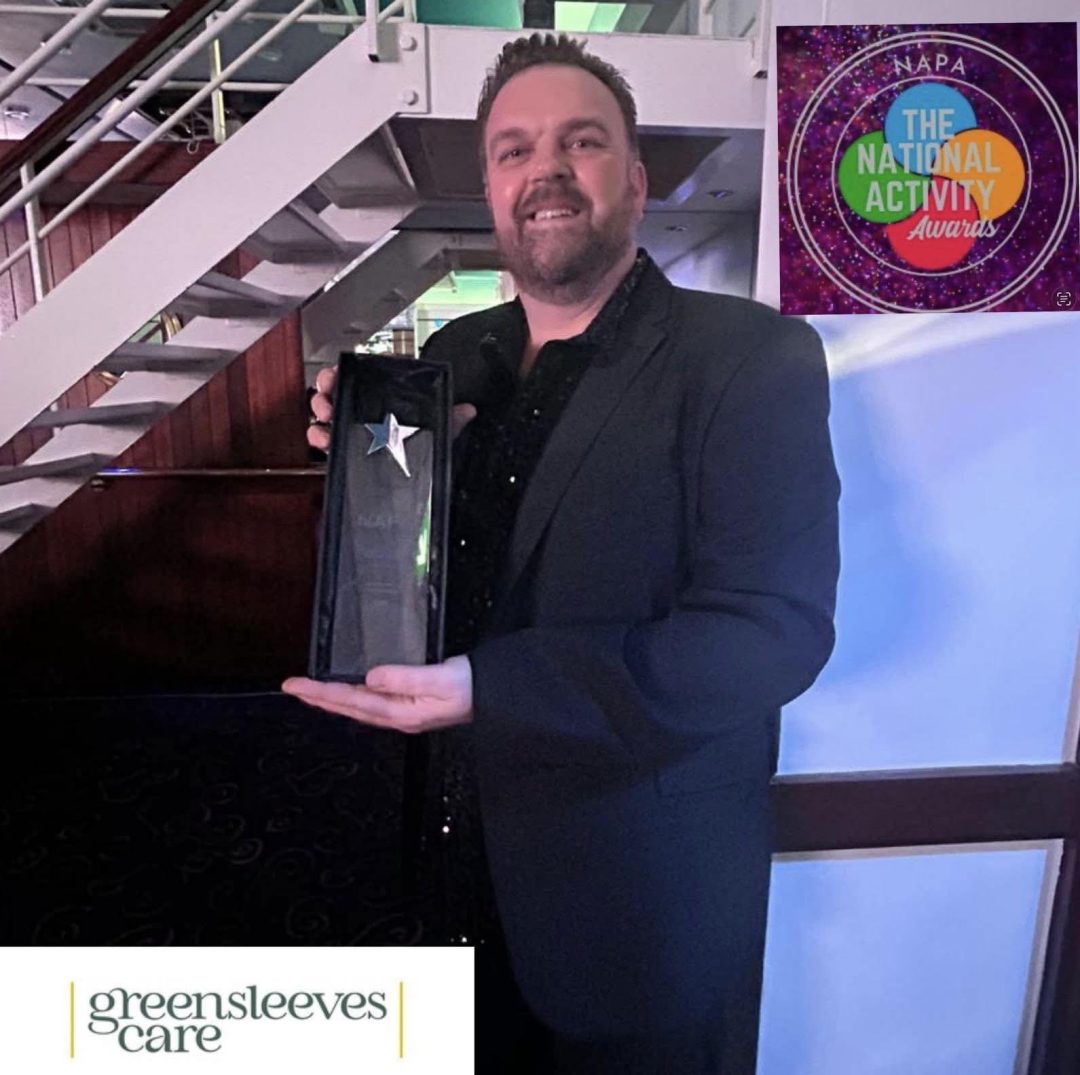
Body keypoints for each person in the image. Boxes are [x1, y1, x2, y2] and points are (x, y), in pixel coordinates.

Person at [284, 33, 840, 1074]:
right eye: (514, 150)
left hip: (638, 906)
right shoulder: (457, 355)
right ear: (492, 190)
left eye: (580, 142)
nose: (544, 170)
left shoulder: (748, 357)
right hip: (454, 870)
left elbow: (772, 638)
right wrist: (366, 475)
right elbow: (429, 573)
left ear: (635, 180)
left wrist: (490, 688)